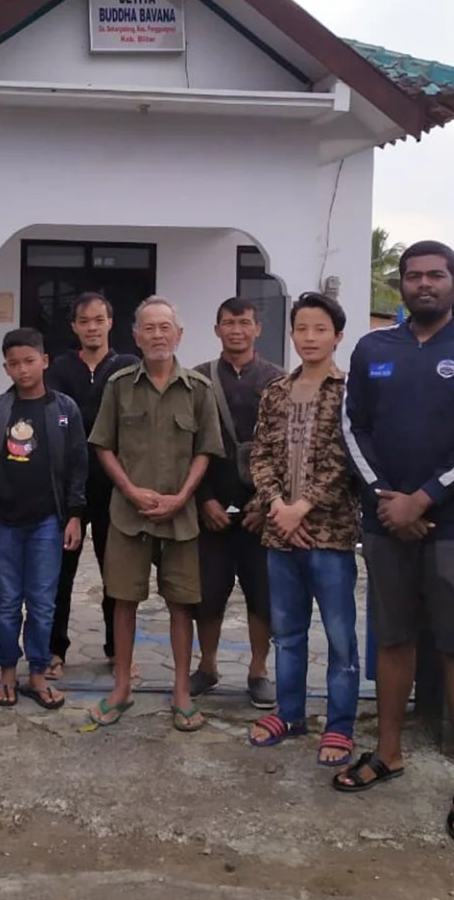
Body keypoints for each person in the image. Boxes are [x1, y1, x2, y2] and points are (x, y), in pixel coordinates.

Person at [337, 241, 454, 843]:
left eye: (436, 276)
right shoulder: (373, 349)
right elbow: (353, 427)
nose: (424, 285)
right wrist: (387, 499)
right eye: (413, 276)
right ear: (401, 286)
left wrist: (426, 497)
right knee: (393, 639)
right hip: (387, 520)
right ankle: (388, 753)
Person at [88, 297, 223, 730]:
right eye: (149, 328)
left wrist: (182, 497)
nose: (158, 335)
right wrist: (130, 490)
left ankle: (181, 692)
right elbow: (103, 445)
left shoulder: (199, 389)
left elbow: (206, 450)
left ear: (178, 335)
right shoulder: (119, 385)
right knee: (123, 600)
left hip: (180, 517)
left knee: (181, 604)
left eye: (166, 327)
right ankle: (122, 687)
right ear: (136, 336)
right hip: (128, 516)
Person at [247, 293, 360, 764]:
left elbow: (347, 460)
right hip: (280, 535)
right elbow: (260, 455)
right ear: (291, 334)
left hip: (330, 535)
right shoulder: (275, 390)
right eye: (301, 329)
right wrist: (278, 507)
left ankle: (339, 726)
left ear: (338, 336)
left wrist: (303, 508)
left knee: (339, 637)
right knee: (287, 634)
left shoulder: (351, 392)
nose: (309, 337)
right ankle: (289, 714)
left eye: (320, 329)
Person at [0, 328, 86, 709]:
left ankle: (37, 671)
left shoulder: (64, 410)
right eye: (14, 364)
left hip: (47, 522)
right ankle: (7, 670)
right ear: (5, 367)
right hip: (5, 521)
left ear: (45, 361)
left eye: (29, 361)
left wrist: (74, 515)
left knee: (42, 601)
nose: (22, 370)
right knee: (6, 602)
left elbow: (77, 467)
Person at [191, 297, 283, 709]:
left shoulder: (278, 381)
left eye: (244, 322)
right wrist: (203, 499)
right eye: (228, 323)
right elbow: (187, 445)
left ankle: (258, 670)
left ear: (257, 328)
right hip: (210, 506)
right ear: (216, 330)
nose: (236, 330)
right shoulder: (198, 379)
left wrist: (266, 503)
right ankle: (207, 666)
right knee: (208, 594)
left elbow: (284, 449)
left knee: (261, 595)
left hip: (260, 511)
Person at [46, 292, 139, 675]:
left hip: (113, 485)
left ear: (110, 323)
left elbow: (129, 420)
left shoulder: (128, 366)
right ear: (74, 327)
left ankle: (118, 650)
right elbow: (56, 418)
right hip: (66, 486)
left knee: (115, 572)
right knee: (59, 574)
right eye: (84, 321)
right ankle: (54, 650)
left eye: (99, 320)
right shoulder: (60, 367)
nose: (92, 328)